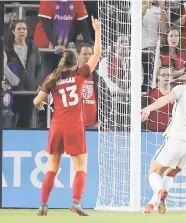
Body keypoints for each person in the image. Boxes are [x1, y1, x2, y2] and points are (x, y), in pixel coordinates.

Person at [33, 17, 101, 216]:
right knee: (81, 167)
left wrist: (42, 103)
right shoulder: (81, 75)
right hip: (74, 126)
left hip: (56, 126)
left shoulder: (52, 79)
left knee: (52, 167)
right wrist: (96, 31)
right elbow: (97, 54)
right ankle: (76, 202)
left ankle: (43, 205)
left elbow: (37, 101)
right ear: (76, 62)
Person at [141, 63, 186, 214]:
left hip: (176, 139)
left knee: (154, 171)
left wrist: (147, 108)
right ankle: (153, 203)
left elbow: (164, 100)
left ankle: (159, 191)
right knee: (170, 173)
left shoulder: (182, 90)